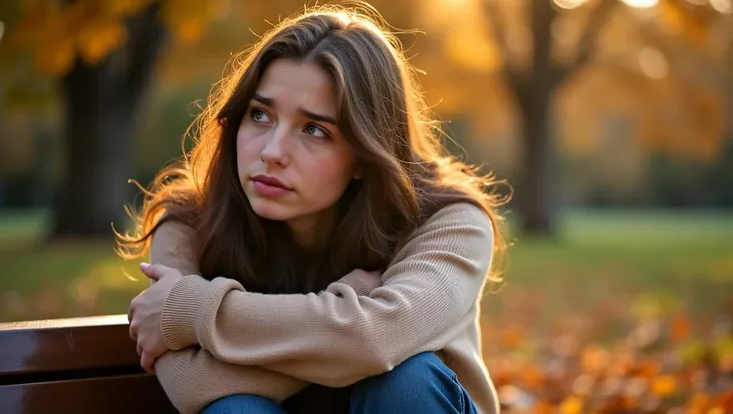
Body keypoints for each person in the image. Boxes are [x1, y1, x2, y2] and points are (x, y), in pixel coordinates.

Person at [119, 4, 509, 414]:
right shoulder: (189, 223)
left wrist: (194, 308)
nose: (271, 153)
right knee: (232, 410)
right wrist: (356, 310)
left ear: (364, 152)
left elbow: (375, 341)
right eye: (260, 115)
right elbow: (191, 384)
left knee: (406, 380)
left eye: (314, 130)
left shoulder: (450, 223)